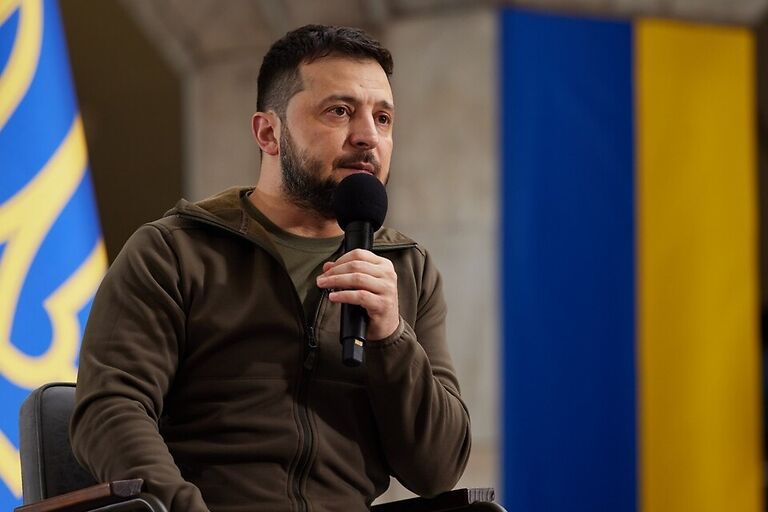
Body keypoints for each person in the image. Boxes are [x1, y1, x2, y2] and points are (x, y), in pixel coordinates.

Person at [70, 24, 471, 512]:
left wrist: (391, 337)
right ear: (268, 132)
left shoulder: (407, 270)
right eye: (340, 111)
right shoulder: (174, 252)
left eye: (383, 118)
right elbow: (110, 411)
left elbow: (437, 469)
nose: (368, 136)